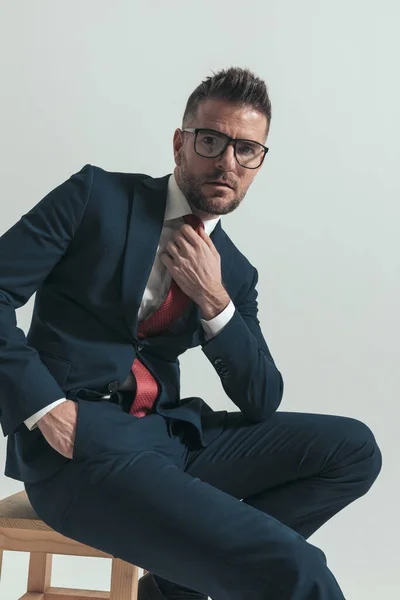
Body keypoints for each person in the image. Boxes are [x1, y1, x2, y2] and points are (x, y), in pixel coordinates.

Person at [0, 67, 382, 600]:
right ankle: (212, 576)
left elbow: (261, 398)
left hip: (168, 436)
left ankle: (174, 583)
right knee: (294, 569)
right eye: (212, 141)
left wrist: (215, 300)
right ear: (180, 143)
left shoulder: (234, 271)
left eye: (246, 150)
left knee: (354, 450)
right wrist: (44, 409)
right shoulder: (96, 198)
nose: (228, 161)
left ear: (259, 164)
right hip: (80, 446)